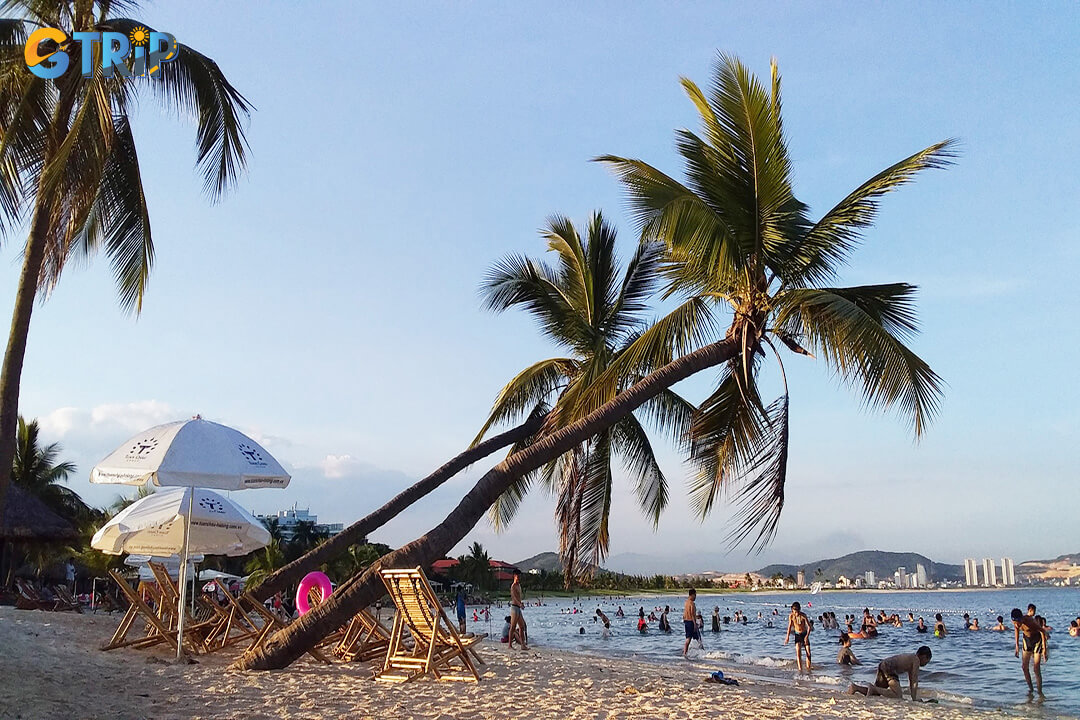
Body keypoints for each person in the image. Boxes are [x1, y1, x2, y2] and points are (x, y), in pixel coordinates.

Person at [848, 646, 932, 700]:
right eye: (927, 661)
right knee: (897, 695)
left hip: (883, 664)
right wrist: (914, 699)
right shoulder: (916, 660)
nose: (925, 664)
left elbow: (911, 679)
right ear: (924, 656)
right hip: (890, 667)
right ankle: (873, 688)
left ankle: (855, 688)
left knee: (876, 693)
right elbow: (914, 681)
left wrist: (913, 696)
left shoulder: (911, 658)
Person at [1012, 608, 1047, 697]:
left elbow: (1042, 631)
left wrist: (1044, 650)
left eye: (1019, 622)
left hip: (1037, 640)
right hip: (1027, 640)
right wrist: (1016, 645)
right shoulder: (1015, 622)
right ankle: (1031, 690)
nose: (1017, 624)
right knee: (1024, 667)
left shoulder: (1030, 621)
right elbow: (1016, 630)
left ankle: (1040, 692)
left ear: (1022, 619)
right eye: (1015, 622)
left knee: (1036, 668)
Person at [784, 601, 813, 672]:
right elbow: (789, 626)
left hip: (804, 634)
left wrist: (807, 636)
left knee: (808, 653)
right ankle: (800, 669)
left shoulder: (803, 616)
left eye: (797, 612)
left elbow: (809, 627)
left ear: (799, 610)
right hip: (797, 635)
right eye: (794, 612)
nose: (796, 614)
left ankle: (808, 669)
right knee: (798, 652)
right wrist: (787, 637)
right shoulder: (791, 616)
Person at [508, 569, 528, 650]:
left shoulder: (519, 586)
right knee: (513, 627)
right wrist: (519, 604)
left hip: (518, 608)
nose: (519, 578)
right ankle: (509, 645)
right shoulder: (513, 586)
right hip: (514, 608)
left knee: (522, 626)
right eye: (518, 576)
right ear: (514, 576)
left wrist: (521, 603)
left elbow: (519, 597)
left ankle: (523, 645)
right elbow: (514, 598)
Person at [682, 588, 699, 657]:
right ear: (692, 595)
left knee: (688, 638)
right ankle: (703, 652)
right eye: (695, 595)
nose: (695, 597)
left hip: (686, 621)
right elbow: (692, 614)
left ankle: (685, 653)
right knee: (697, 639)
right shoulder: (692, 603)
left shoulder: (686, 602)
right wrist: (695, 624)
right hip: (691, 622)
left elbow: (684, 614)